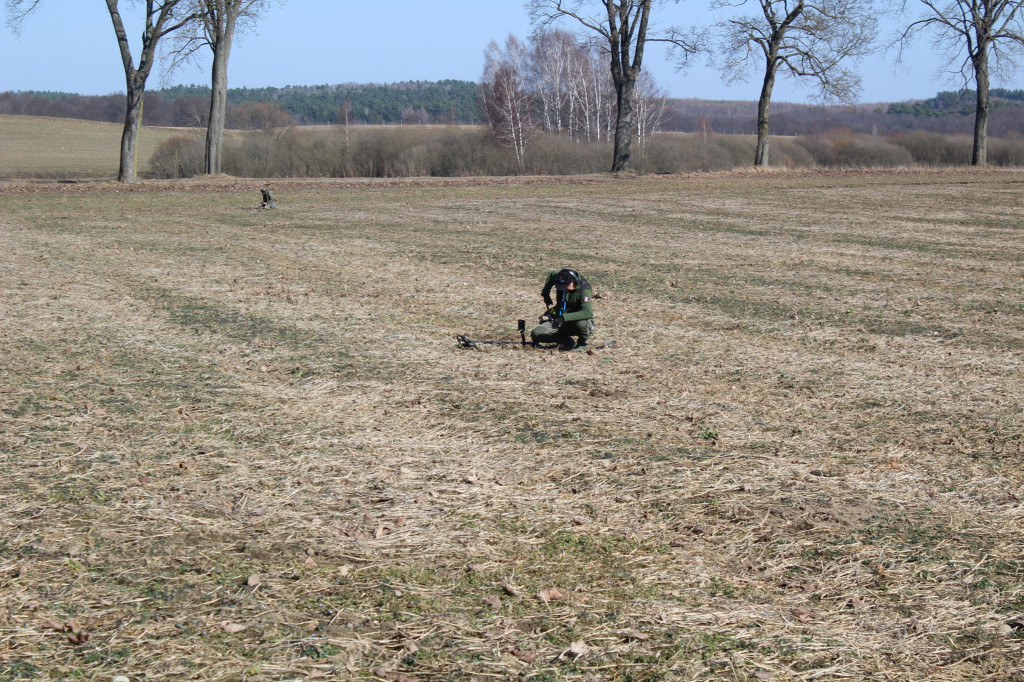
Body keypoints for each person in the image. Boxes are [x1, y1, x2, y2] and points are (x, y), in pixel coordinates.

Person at [531, 268, 594, 351]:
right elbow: (552, 274)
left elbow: (587, 313)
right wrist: (545, 293)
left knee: (581, 324)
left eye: (566, 287)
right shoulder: (559, 277)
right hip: (559, 318)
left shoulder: (584, 290)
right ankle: (564, 340)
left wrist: (563, 317)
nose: (564, 290)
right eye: (561, 288)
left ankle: (582, 343)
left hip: (576, 321)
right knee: (536, 334)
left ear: (573, 281)